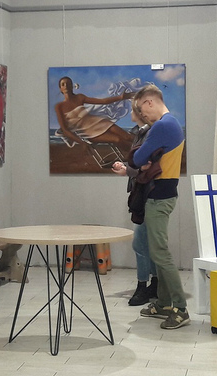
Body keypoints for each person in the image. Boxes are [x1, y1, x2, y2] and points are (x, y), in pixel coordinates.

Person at [130, 84, 188, 329]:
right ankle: (164, 303)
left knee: (161, 254)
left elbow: (137, 158)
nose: (142, 115)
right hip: (162, 194)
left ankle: (180, 308)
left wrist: (142, 160)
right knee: (155, 251)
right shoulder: (172, 124)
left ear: (149, 102)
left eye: (142, 110)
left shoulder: (163, 125)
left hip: (159, 197)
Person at [112, 104, 158, 306]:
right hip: (144, 193)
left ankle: (143, 286)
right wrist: (127, 167)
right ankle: (154, 284)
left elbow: (148, 167)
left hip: (148, 193)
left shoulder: (148, 134)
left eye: (132, 110)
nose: (129, 113)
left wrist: (127, 170)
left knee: (140, 243)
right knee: (149, 243)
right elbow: (140, 165)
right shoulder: (140, 133)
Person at [54, 76, 134, 152]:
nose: (66, 86)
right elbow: (65, 130)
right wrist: (82, 143)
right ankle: (135, 154)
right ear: (60, 88)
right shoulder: (59, 106)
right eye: (63, 84)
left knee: (127, 137)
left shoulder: (80, 97)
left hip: (100, 122)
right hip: (88, 133)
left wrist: (121, 97)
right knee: (118, 139)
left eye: (68, 83)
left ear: (72, 86)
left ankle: (140, 149)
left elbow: (103, 101)